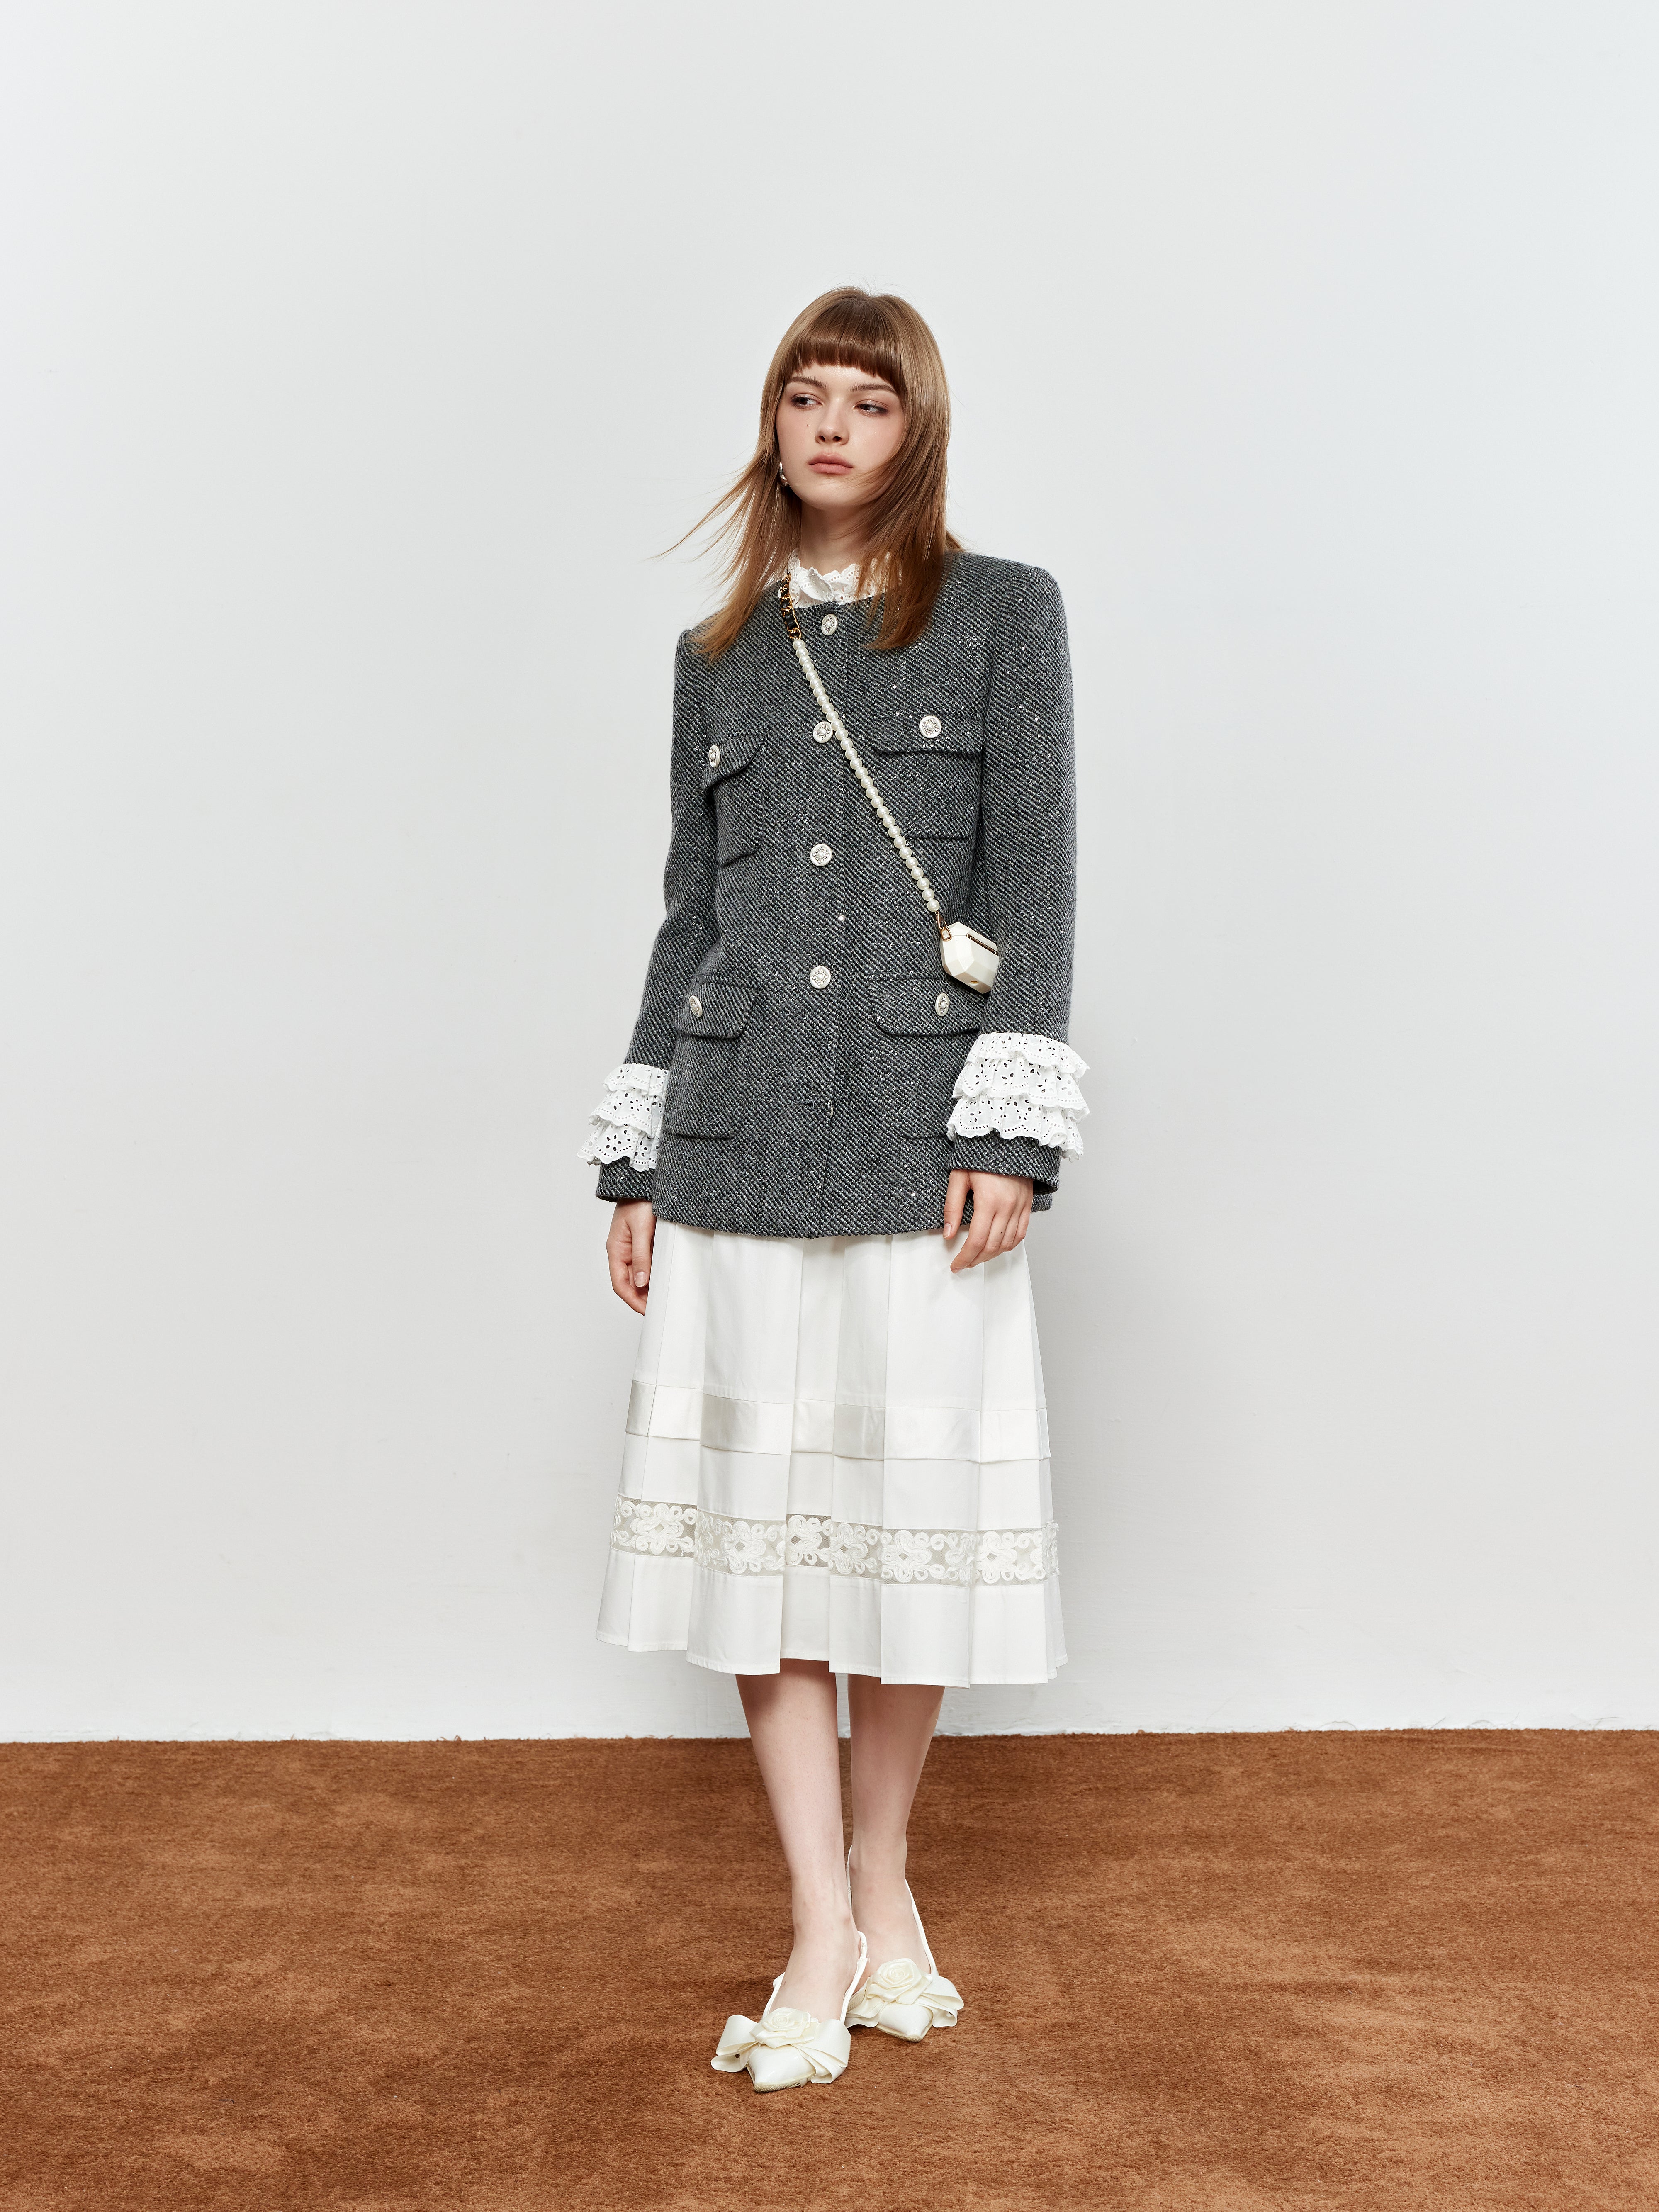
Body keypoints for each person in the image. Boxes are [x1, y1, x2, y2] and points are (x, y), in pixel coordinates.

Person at [579, 287, 1085, 2093]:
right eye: (806, 394)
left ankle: (884, 1878)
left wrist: (1007, 1132)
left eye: (867, 400)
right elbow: (691, 917)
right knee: (764, 1550)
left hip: (917, 1132)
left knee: (903, 1541)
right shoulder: (716, 651)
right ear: (773, 421)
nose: (831, 425)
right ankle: (816, 1913)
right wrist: (639, 1152)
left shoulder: (1003, 613)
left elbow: (1032, 876)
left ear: (912, 429)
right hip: (734, 1143)